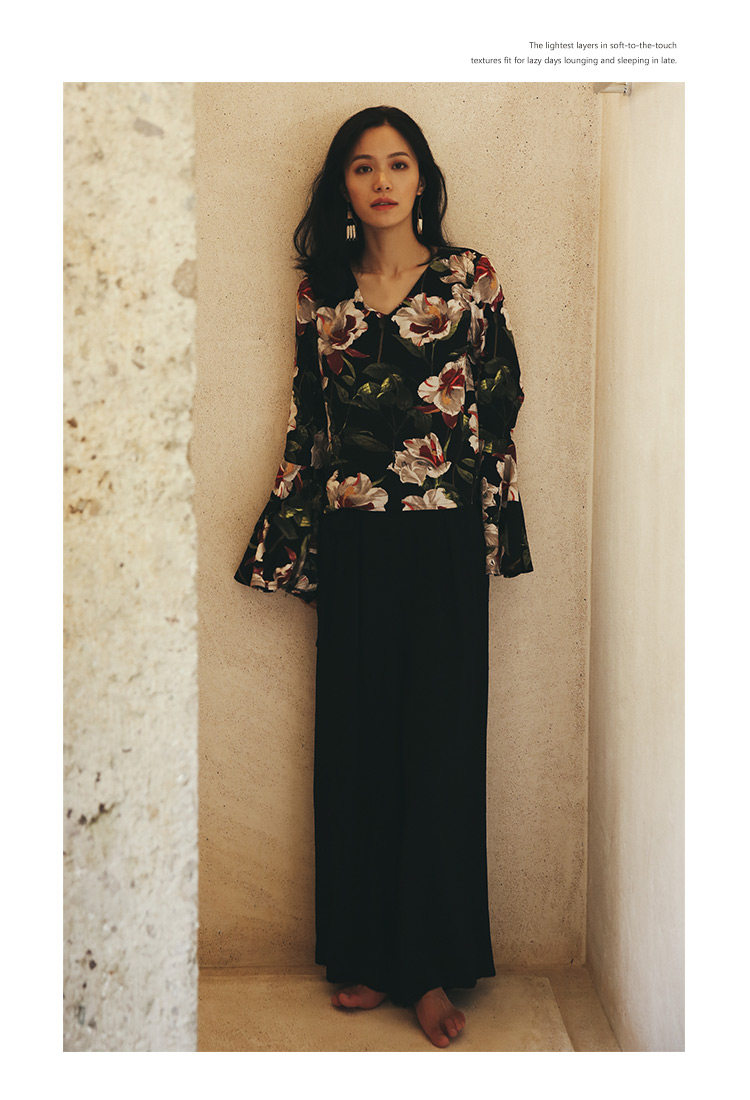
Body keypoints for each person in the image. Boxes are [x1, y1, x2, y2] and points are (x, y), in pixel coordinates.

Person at [234, 105, 533, 1049]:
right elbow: (309, 421)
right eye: (363, 167)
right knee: (357, 749)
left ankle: (431, 970)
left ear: (422, 179)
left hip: (443, 541)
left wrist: (490, 522)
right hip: (355, 539)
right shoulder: (320, 293)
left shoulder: (469, 277)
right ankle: (364, 953)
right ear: (343, 186)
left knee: (438, 749)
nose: (381, 181)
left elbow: (500, 399)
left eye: (398, 164)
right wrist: (289, 540)